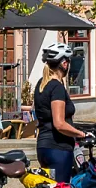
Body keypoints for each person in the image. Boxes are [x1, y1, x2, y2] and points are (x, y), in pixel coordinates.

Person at [34, 41, 89, 178]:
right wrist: (81, 134)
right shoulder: (56, 87)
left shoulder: (41, 84)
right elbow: (59, 123)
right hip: (58, 148)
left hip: (43, 147)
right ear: (64, 64)